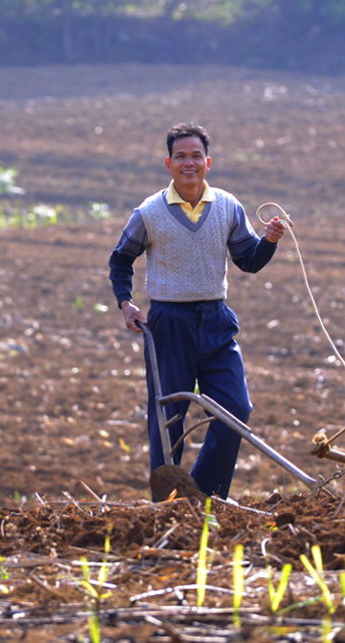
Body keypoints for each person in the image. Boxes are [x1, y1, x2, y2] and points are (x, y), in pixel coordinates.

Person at [108, 122, 285, 500]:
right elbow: (121, 258)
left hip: (217, 320)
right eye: (181, 157)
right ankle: (167, 504)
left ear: (209, 162)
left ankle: (204, 495)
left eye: (196, 156)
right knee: (168, 419)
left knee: (236, 409)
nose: (189, 163)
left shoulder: (228, 207)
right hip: (169, 323)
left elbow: (248, 261)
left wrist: (268, 241)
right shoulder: (149, 212)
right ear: (168, 163)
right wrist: (126, 303)